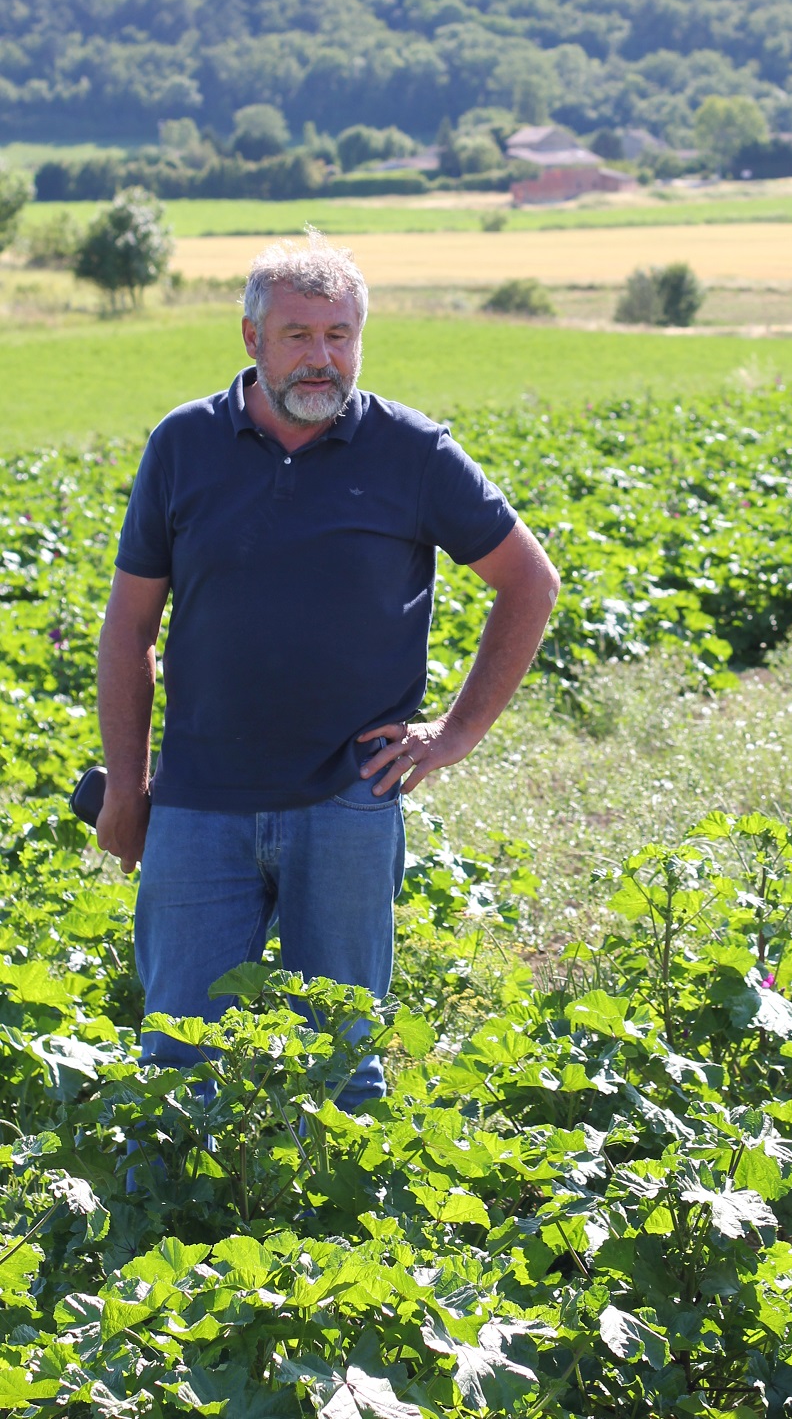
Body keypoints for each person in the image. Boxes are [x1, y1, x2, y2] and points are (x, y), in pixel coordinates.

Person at [96, 232, 559, 1106]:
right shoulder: (183, 445)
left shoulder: (412, 452)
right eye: (299, 335)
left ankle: (336, 1239)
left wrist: (452, 735)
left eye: (339, 336)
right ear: (251, 339)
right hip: (198, 801)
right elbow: (128, 630)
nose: (322, 359)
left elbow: (530, 585)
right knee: (177, 1062)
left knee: (343, 1063)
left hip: (347, 801)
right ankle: (187, 1236)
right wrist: (129, 788)